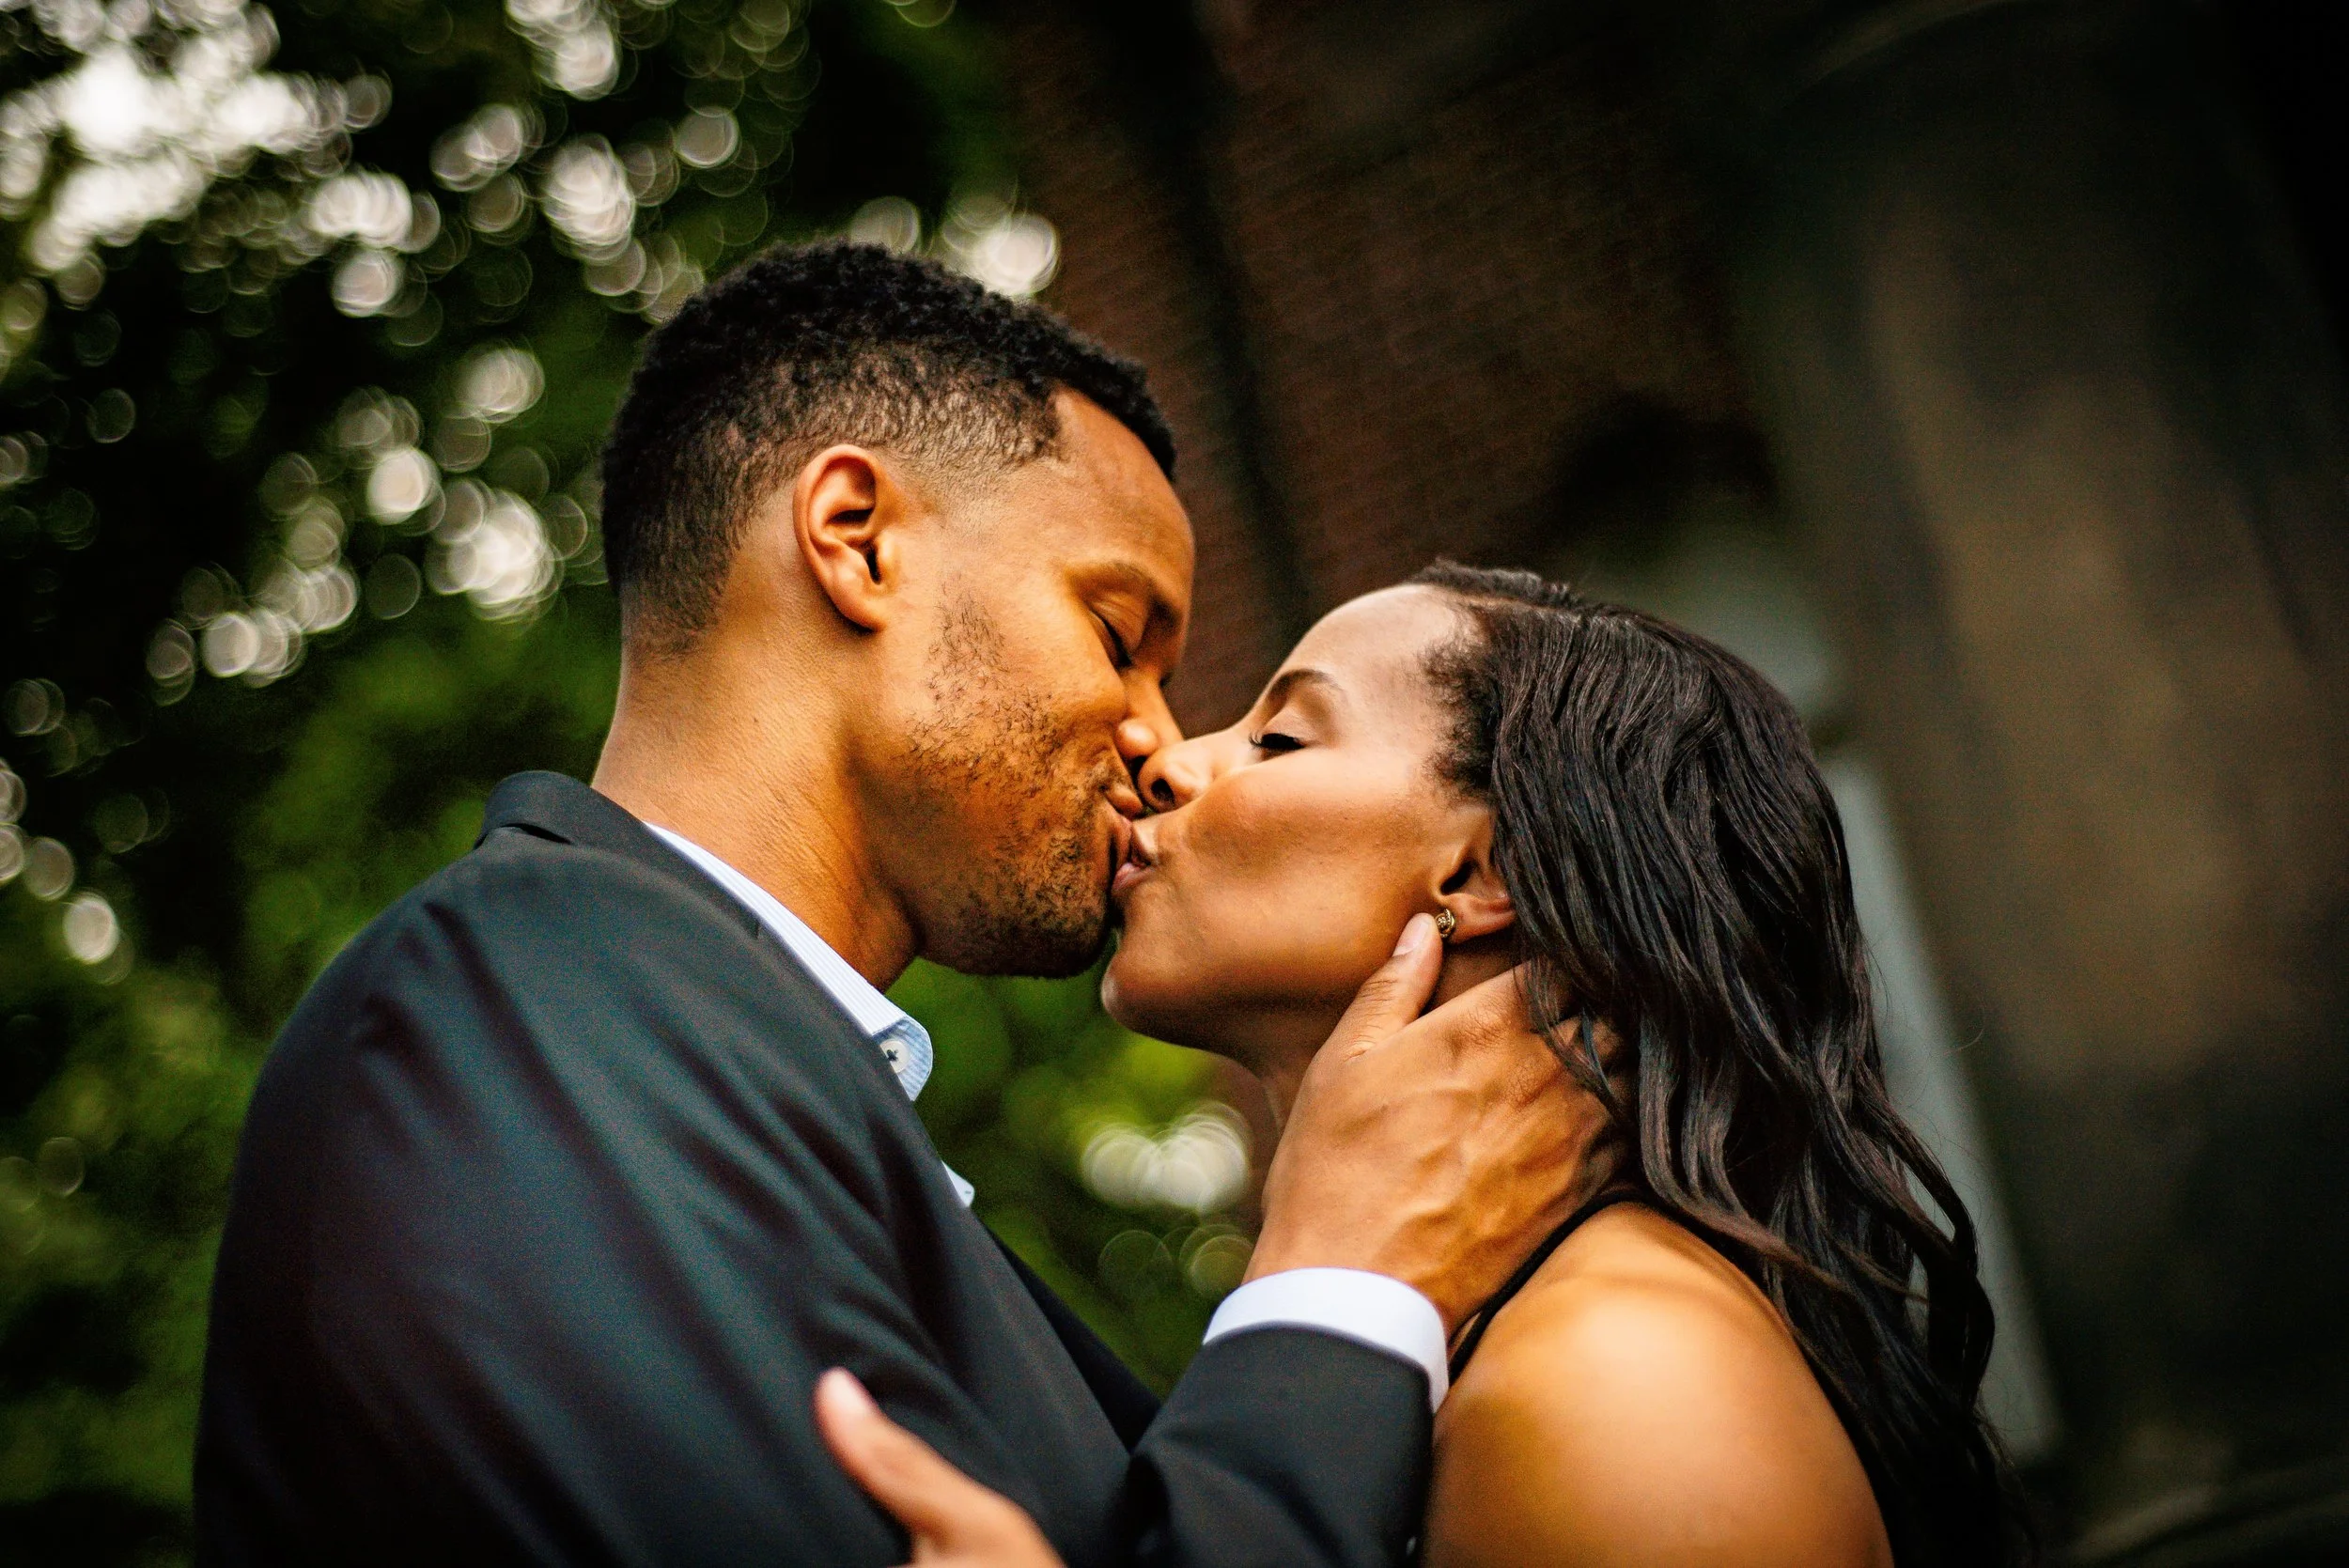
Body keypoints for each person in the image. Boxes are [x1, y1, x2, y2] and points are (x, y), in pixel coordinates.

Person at [192, 247, 1593, 1566]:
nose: (1161, 743)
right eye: (1119, 635)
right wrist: (1342, 1287)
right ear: (855, 540)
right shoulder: (500, 1009)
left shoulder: (744, 1088)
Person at [830, 567, 2031, 1567]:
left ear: (1478, 873)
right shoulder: (1470, 1356)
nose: (1171, 759)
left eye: (1279, 735)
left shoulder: (1616, 1377)